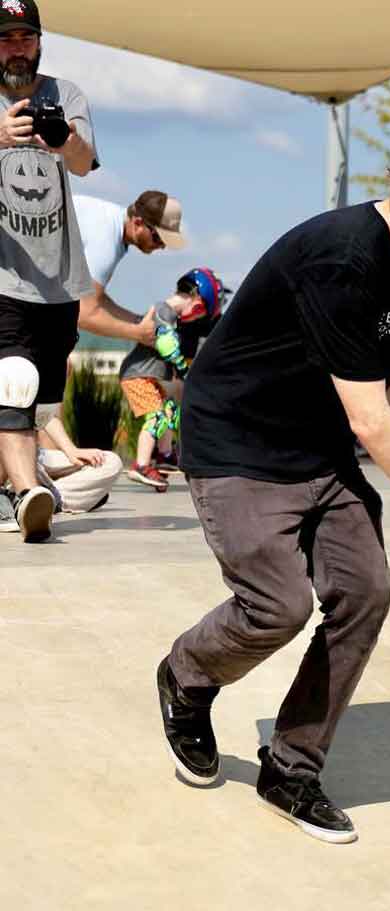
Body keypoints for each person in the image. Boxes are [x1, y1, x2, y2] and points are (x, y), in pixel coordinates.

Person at [156, 120, 390, 844]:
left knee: (365, 591)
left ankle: (291, 768)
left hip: (317, 447)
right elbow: (369, 422)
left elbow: (379, 384)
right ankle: (186, 676)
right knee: (277, 606)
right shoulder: (342, 256)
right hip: (238, 443)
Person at [0, 0, 99, 542]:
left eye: (25, 37)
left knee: (40, 406)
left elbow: (83, 164)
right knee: (13, 379)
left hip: (58, 276)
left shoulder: (67, 94)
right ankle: (25, 496)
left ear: (39, 41)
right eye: (6, 39)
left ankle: (11, 487)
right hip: (3, 273)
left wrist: (64, 139)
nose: (16, 48)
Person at [118, 266, 225, 490]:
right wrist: (184, 370)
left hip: (147, 377)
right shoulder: (162, 311)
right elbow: (167, 345)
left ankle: (165, 455)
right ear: (197, 304)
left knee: (168, 411)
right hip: (137, 375)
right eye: (200, 314)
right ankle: (141, 465)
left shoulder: (170, 315)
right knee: (157, 418)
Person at [74, 190, 187, 346]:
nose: (161, 246)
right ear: (138, 223)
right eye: (158, 238)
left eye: (165, 242)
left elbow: (94, 299)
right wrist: (138, 334)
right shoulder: (106, 241)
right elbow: (84, 314)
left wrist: (139, 322)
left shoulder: (111, 222)